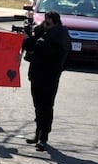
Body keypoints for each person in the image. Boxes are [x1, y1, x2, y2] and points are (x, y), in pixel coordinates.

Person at [21, 10, 70, 150]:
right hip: (39, 74)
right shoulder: (50, 33)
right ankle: (38, 134)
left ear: (55, 23)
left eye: (48, 23)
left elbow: (37, 46)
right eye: (44, 22)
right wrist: (39, 28)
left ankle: (43, 137)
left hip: (48, 77)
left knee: (45, 107)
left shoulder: (57, 35)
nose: (45, 25)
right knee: (38, 106)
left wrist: (27, 39)